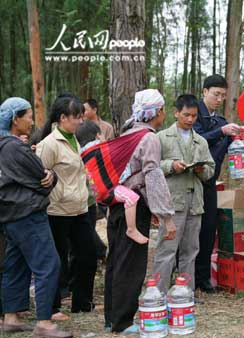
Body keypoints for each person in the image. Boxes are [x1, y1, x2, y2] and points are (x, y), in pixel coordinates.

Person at [104, 89, 176, 333]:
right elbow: (153, 177)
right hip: (134, 207)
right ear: (156, 112)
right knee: (131, 263)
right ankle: (123, 321)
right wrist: (166, 215)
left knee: (116, 260)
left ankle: (111, 317)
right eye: (163, 109)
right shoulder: (149, 138)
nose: (164, 113)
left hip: (117, 204)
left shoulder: (127, 132)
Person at [0, 97, 72, 338]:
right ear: (15, 119)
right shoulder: (14, 147)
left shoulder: (4, 145)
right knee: (48, 265)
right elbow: (40, 177)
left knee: (16, 265)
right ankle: (44, 323)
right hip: (28, 214)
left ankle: (10, 317)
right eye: (28, 115)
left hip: (9, 215)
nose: (32, 121)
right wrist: (51, 175)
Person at [36, 94, 98, 318]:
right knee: (57, 260)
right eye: (77, 117)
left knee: (88, 254)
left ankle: (82, 302)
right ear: (62, 118)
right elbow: (39, 178)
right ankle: (52, 308)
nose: (81, 121)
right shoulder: (49, 144)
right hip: (56, 210)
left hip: (80, 208)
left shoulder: (76, 139)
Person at [155, 94, 215, 292]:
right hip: (173, 201)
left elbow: (210, 169)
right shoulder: (162, 138)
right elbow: (152, 167)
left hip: (195, 202)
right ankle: (160, 293)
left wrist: (202, 170)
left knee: (191, 251)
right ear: (176, 113)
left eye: (194, 116)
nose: (190, 120)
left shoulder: (201, 141)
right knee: (167, 250)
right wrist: (171, 165)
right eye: (186, 115)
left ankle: (185, 293)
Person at [193, 75, 240, 293]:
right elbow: (198, 140)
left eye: (223, 95)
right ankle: (186, 276)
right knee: (190, 230)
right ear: (204, 92)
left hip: (211, 182)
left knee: (208, 228)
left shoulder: (221, 121)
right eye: (215, 94)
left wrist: (238, 137)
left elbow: (225, 150)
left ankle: (203, 278)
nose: (219, 99)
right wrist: (222, 133)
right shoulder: (193, 115)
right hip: (191, 181)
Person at [77, 121, 148, 245]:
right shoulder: (100, 149)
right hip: (108, 190)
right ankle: (131, 229)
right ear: (98, 135)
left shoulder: (83, 154)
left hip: (98, 195)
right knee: (132, 198)